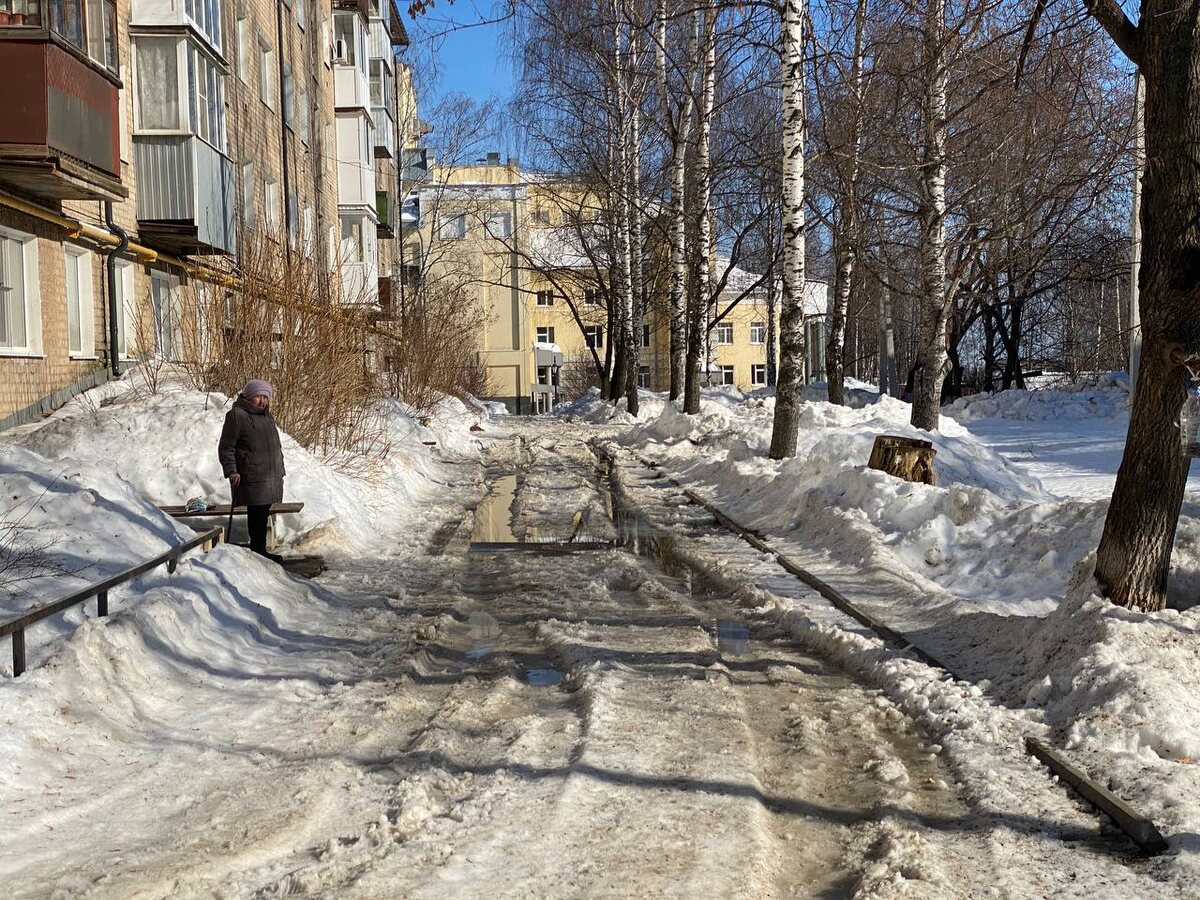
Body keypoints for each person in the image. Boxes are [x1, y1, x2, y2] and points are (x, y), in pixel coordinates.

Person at [218, 379, 286, 564]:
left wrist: (280, 469)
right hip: (251, 474)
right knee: (256, 512)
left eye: (266, 397)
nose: (263, 401)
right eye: (258, 396)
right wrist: (232, 471)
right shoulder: (237, 416)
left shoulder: (266, 417)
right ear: (249, 396)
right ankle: (258, 551)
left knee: (262, 512)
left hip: (269, 474)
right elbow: (226, 447)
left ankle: (260, 550)